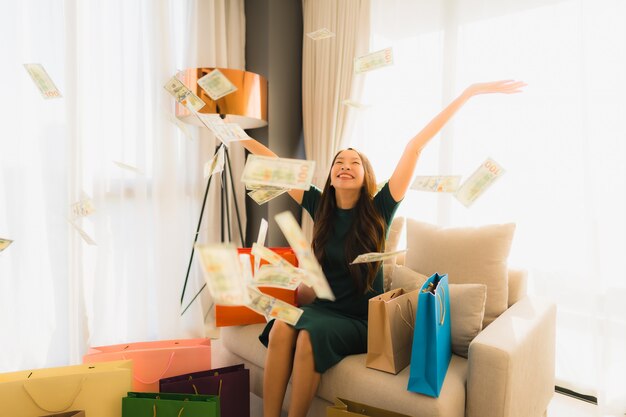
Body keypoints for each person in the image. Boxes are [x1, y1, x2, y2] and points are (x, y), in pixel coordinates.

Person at [238, 80, 526, 417]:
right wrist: (236, 135)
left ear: (365, 176)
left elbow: (414, 148)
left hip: (360, 320)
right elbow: (276, 166)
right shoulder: (319, 205)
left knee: (305, 340)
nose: (345, 165)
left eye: (354, 163)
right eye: (339, 162)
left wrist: (468, 94)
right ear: (330, 177)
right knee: (283, 326)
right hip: (323, 312)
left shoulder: (380, 208)